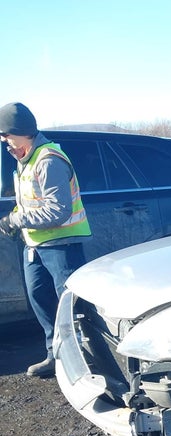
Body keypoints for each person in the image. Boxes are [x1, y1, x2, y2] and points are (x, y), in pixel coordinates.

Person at [0, 102, 91, 378]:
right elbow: (30, 202)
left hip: (62, 246)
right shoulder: (26, 160)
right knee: (40, 300)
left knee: (72, 308)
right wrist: (16, 219)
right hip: (36, 246)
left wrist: (15, 220)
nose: (4, 141)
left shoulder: (48, 159)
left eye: (5, 135)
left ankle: (87, 363)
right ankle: (56, 356)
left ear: (20, 132)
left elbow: (58, 210)